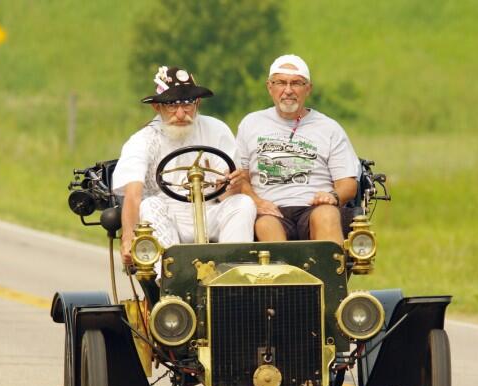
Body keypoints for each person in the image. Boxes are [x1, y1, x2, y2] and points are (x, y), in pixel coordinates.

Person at [113, 66, 256, 265]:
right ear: (158, 107)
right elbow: (133, 194)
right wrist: (128, 238)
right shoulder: (143, 140)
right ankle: (171, 279)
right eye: (172, 105)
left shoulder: (216, 130)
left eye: (187, 103)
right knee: (149, 205)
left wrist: (233, 185)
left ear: (197, 103)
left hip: (209, 211)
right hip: (168, 215)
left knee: (243, 203)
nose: (181, 113)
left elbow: (225, 194)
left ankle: (233, 275)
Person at [234, 54, 358, 245]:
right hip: (270, 209)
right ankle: (280, 274)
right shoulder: (251, 124)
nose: (288, 90)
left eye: (297, 83)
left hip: (314, 206)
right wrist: (257, 203)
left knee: (326, 214)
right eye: (281, 83)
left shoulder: (329, 128)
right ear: (270, 87)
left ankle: (331, 273)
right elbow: (239, 178)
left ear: (308, 89)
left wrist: (332, 196)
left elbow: (348, 184)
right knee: (266, 225)